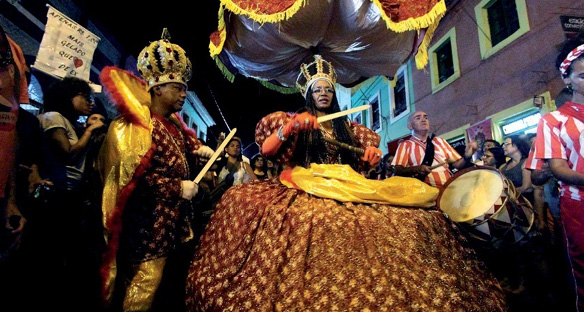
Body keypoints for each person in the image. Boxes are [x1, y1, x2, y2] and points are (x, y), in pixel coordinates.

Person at [186, 55, 505, 311]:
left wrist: (368, 156)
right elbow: (269, 150)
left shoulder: (347, 127)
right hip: (306, 182)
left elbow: (364, 165)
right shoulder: (295, 120)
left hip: (346, 181)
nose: (323, 94)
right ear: (308, 95)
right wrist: (291, 127)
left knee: (406, 211)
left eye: (327, 90)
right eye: (317, 90)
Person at [98, 31, 214, 311]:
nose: (184, 94)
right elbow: (131, 180)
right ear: (158, 88)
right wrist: (177, 188)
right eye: (178, 87)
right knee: (142, 291)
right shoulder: (134, 126)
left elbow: (177, 164)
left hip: (175, 228)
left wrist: (199, 155)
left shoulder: (175, 127)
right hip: (147, 230)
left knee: (167, 294)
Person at [527, 37, 584, 311]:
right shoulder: (553, 120)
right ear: (569, 80)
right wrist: (552, 170)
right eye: (583, 75)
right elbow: (544, 175)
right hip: (577, 206)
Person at [391, 111, 478, 188]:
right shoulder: (405, 145)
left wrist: (467, 156)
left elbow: (457, 165)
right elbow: (397, 169)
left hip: (448, 189)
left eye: (426, 117)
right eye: (418, 118)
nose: (423, 120)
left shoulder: (440, 141)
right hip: (423, 192)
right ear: (410, 126)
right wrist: (416, 169)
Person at [500, 135, 533, 201]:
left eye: (506, 144)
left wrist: (507, 194)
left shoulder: (526, 162)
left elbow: (526, 187)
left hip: (524, 201)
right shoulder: (502, 167)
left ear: (516, 146)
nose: (503, 147)